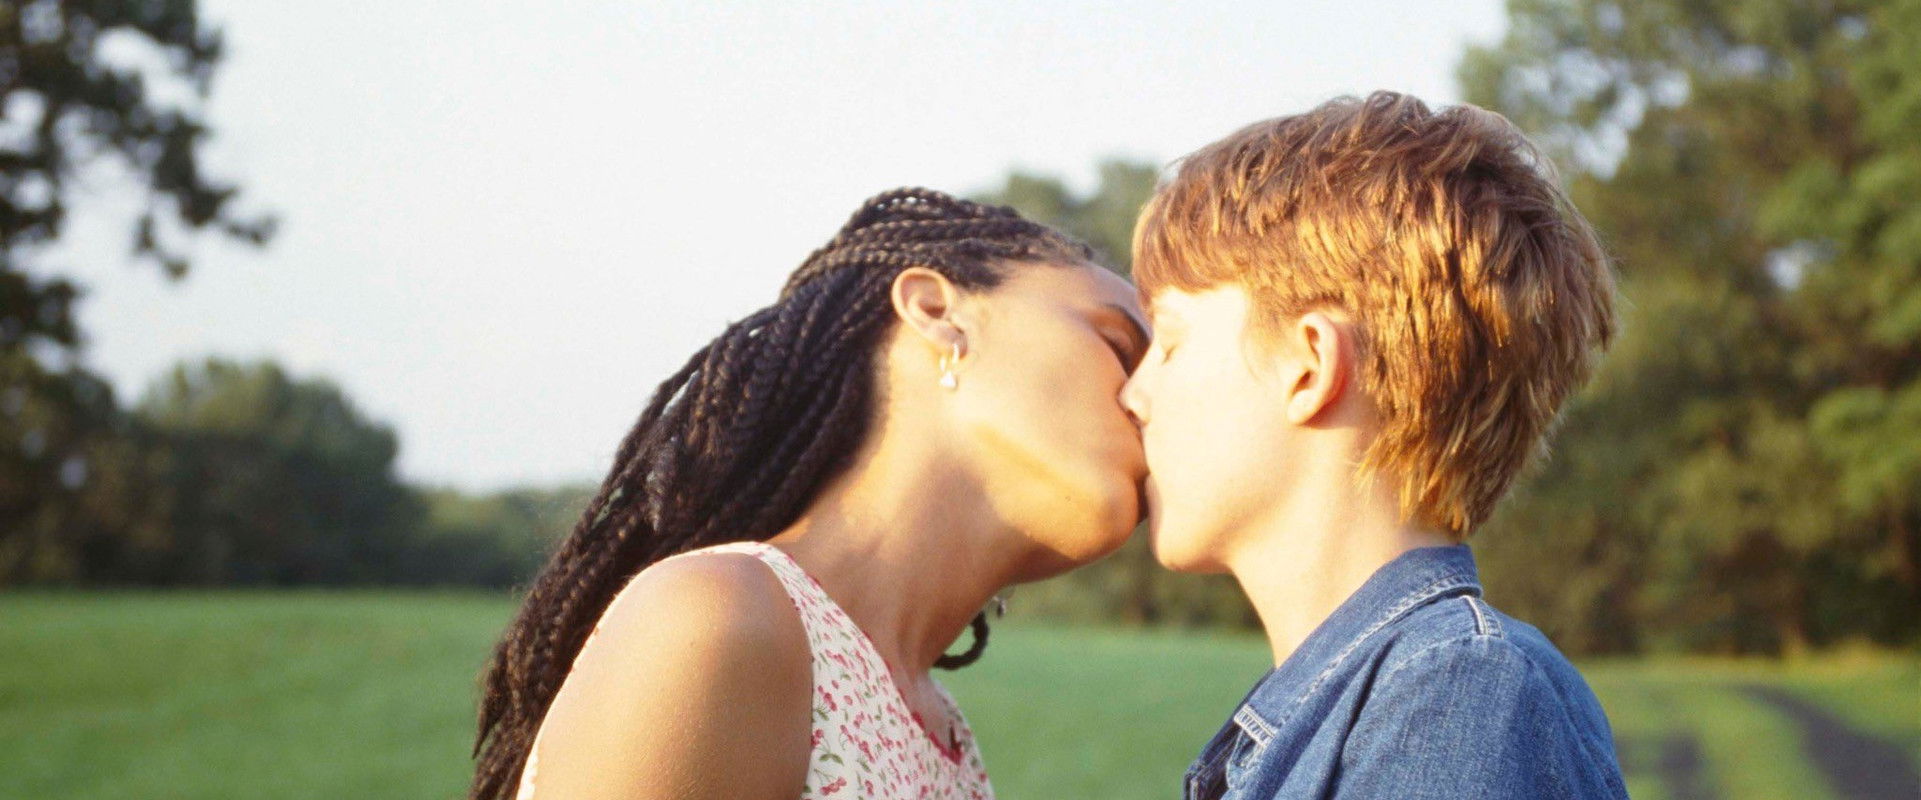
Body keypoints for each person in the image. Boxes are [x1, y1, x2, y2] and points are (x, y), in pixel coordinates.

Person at [469, 188, 1152, 800]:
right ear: (937, 312)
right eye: (1119, 347)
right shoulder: (717, 618)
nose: (1148, 399)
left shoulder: (941, 729)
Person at [1119, 92, 1630, 799]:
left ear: (1308, 366)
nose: (1133, 394)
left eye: (1168, 343)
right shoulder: (1394, 696)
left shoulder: (1454, 691)